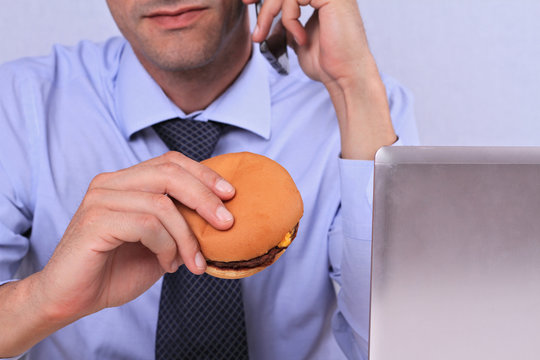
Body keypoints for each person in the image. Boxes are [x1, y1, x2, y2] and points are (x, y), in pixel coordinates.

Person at [0, 0, 418, 359]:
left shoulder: (364, 108)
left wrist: (353, 86)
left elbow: (409, 346)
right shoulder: (19, 103)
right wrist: (44, 300)